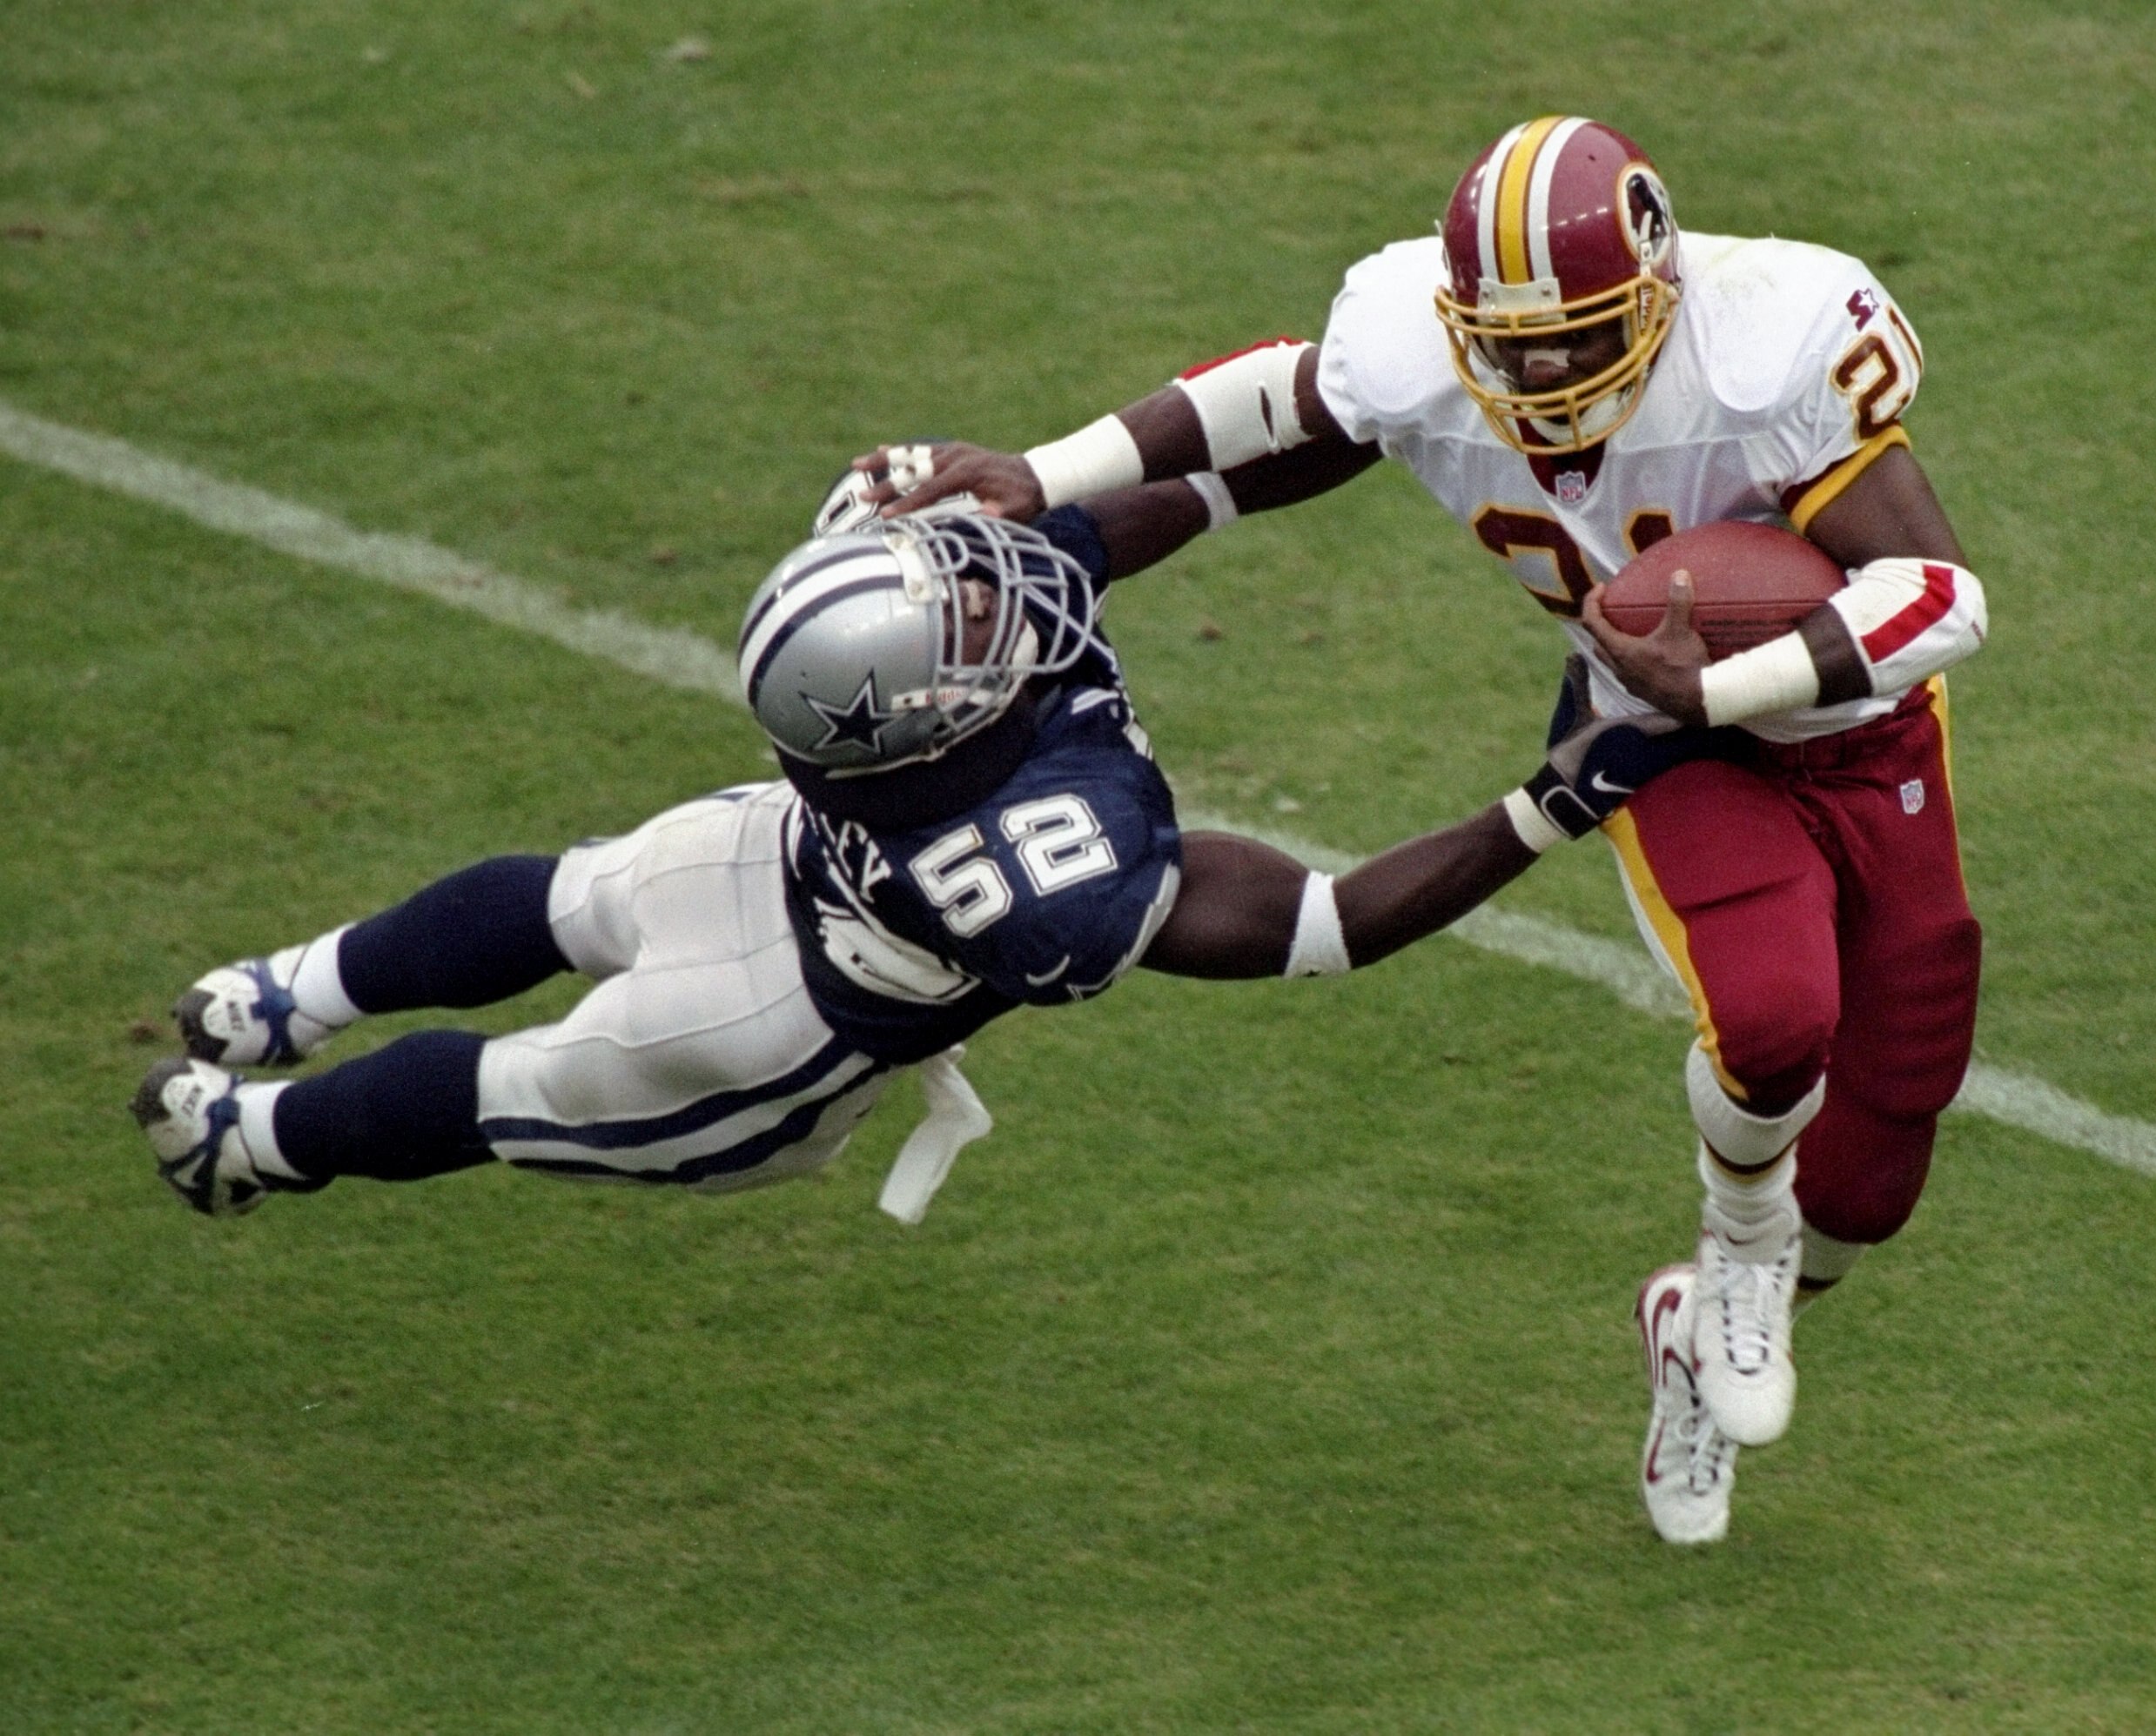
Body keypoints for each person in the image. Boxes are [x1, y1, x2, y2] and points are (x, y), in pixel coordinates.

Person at [874, 117, 1991, 1545]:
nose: (1531, 380)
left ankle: (1713, 1306)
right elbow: (1275, 408)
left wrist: (1728, 674)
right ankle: (1740, 1258)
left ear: (1656, 295)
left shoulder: (1768, 349)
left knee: (1892, 1125)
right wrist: (1048, 472)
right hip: (1657, 736)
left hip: (1848, 716)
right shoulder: (1423, 351)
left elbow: (1944, 594)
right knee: (1777, 1020)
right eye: (1502, 346)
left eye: (1568, 341)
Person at [133, 468, 1702, 1231]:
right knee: (521, 1075)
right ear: (925, 717)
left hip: (776, 860)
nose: (988, 597)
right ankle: (253, 1144)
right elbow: (1318, 927)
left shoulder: (895, 701)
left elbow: (1090, 532)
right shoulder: (1044, 861)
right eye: (956, 616)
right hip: (766, 1036)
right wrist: (1553, 800)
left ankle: (291, 996)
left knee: (570, 890)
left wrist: (1266, 453)